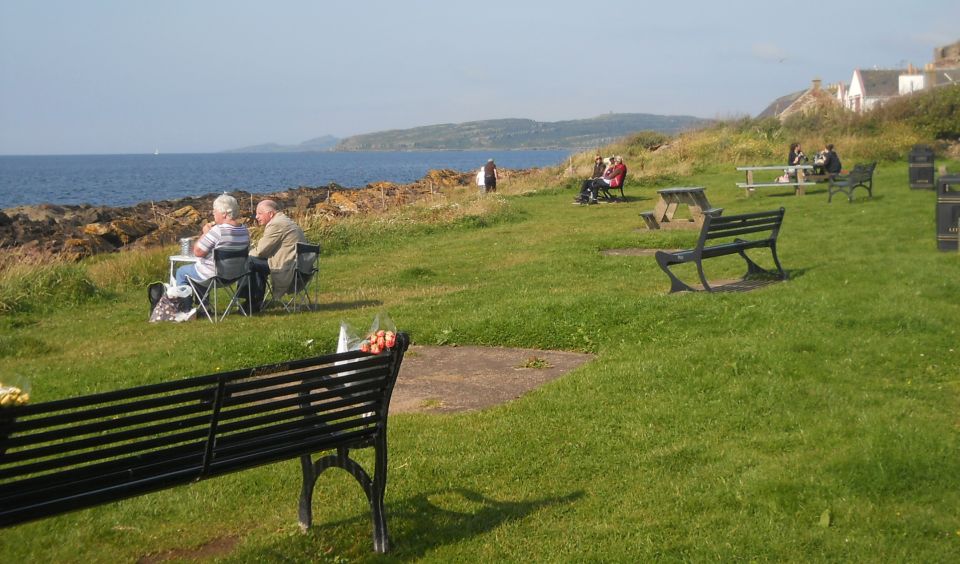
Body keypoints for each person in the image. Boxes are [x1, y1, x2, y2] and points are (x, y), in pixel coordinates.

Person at [175, 194, 250, 289]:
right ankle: (203, 303)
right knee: (201, 268)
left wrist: (205, 233)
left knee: (181, 271)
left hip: (215, 276)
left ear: (224, 213)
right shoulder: (244, 230)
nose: (213, 213)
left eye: (215, 211)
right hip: (236, 275)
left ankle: (184, 304)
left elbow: (198, 252)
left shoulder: (218, 231)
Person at [246, 199, 307, 311]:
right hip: (300, 267)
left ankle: (250, 301)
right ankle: (254, 302)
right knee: (254, 263)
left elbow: (261, 251)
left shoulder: (276, 224)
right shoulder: (285, 221)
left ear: (270, 214)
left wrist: (246, 253)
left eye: (259, 213)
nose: (256, 217)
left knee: (248, 261)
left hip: (286, 268)